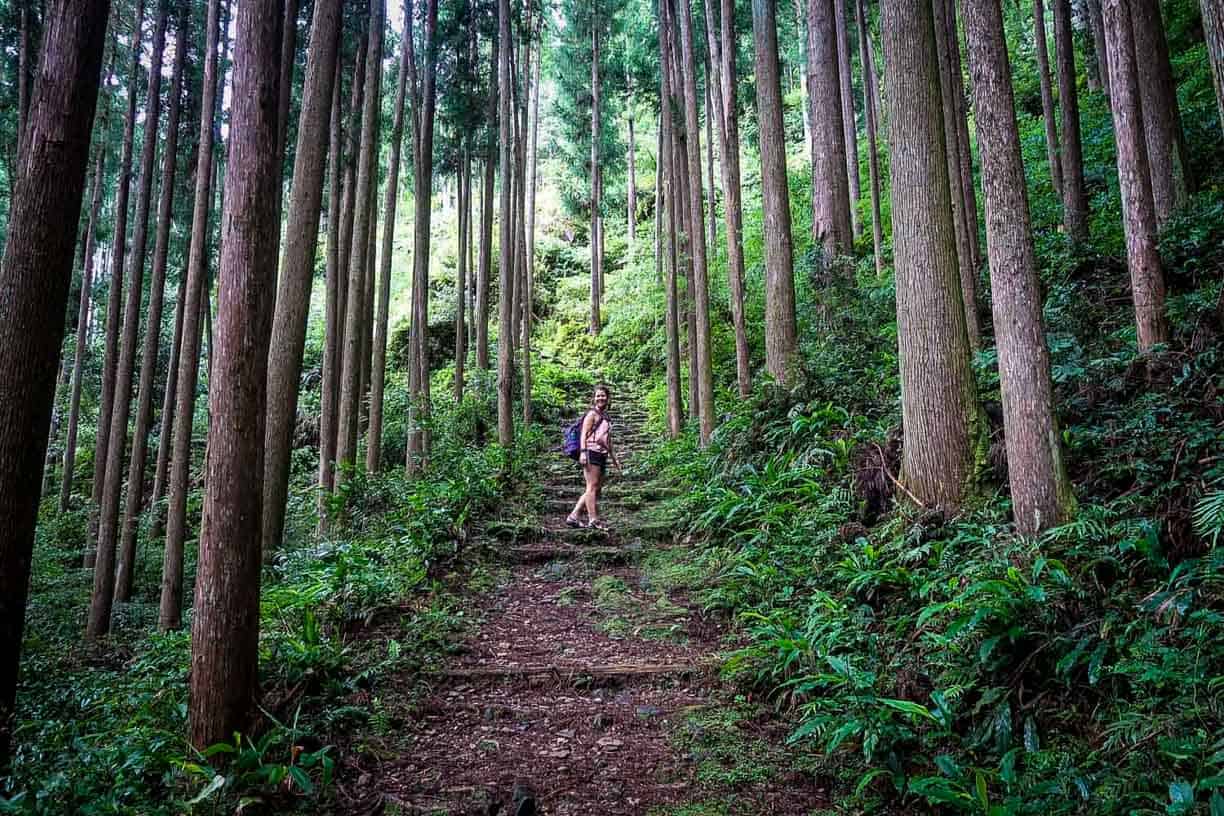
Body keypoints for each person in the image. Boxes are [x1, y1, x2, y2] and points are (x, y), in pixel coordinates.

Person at [566, 384, 620, 529]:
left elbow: (607, 440)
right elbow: (584, 434)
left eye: (603, 395)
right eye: (598, 396)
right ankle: (593, 520)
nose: (600, 398)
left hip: (602, 454)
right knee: (591, 487)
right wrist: (583, 453)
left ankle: (574, 516)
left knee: (595, 488)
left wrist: (614, 458)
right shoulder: (592, 414)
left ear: (608, 398)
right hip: (590, 453)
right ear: (594, 399)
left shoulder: (606, 417)